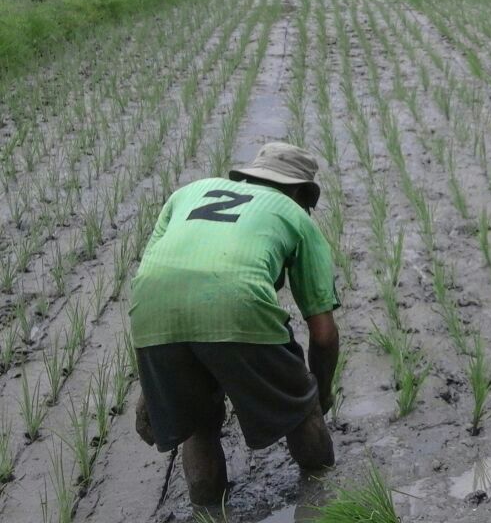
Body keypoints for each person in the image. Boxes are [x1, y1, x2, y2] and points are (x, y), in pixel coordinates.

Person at [130, 143, 340, 507]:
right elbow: (322, 334)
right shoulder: (295, 214)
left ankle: (208, 512)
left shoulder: (187, 193)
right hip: (236, 304)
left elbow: (157, 284)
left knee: (198, 425)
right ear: (300, 191)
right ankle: (322, 494)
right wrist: (316, 394)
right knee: (301, 409)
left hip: (151, 315)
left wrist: (154, 385)